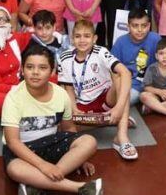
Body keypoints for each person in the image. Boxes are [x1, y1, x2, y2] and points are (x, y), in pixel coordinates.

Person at [1, 45, 103, 195]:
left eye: (42, 67)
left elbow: (68, 128)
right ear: (22, 69)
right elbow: (13, 142)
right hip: (22, 150)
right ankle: (81, 188)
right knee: (14, 170)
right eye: (29, 67)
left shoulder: (61, 95)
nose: (35, 72)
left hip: (51, 144)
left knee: (89, 142)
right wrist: (43, 166)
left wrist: (79, 158)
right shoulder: (13, 98)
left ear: (52, 70)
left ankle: (36, 184)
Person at [57, 20, 138, 160]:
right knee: (62, 127)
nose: (82, 40)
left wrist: (118, 107)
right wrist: (74, 108)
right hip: (83, 104)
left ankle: (121, 137)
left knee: (120, 80)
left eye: (87, 36)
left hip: (105, 99)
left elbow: (126, 73)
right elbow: (68, 88)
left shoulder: (101, 52)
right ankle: (115, 120)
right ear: (72, 38)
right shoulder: (65, 58)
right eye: (78, 36)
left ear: (94, 39)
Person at [110, 9, 161, 106]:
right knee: (118, 100)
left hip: (151, 85)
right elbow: (112, 69)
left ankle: (151, 102)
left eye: (144, 26)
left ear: (149, 26)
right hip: (130, 85)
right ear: (128, 27)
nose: (140, 30)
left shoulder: (155, 39)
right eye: (135, 26)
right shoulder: (120, 42)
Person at [27, 10, 70, 74]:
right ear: (34, 28)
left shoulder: (63, 44)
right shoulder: (31, 45)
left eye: (48, 28)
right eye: (40, 28)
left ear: (54, 27)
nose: (44, 32)